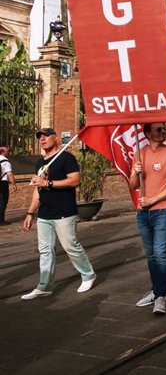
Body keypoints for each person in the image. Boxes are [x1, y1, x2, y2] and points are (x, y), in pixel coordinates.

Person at [21, 128, 96, 301]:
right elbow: (38, 190)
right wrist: (30, 213)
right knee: (45, 251)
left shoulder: (66, 158)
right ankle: (44, 286)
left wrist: (47, 182)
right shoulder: (40, 163)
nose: (42, 139)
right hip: (45, 214)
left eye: (46, 136)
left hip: (64, 212)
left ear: (56, 138)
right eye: (40, 137)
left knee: (71, 246)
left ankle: (88, 275)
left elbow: (75, 180)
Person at [129, 123, 166, 315]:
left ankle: (161, 296)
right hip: (143, 211)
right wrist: (135, 172)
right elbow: (133, 184)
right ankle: (155, 290)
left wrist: (153, 199)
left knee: (160, 252)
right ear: (146, 133)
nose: (163, 133)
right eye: (158, 130)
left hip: (164, 209)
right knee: (150, 254)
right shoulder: (139, 153)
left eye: (164, 130)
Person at [0, 146, 18, 225]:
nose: (9, 152)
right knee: (2, 201)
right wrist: (13, 184)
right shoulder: (5, 161)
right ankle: (1, 220)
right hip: (2, 183)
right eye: (8, 151)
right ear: (3, 152)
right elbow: (9, 174)